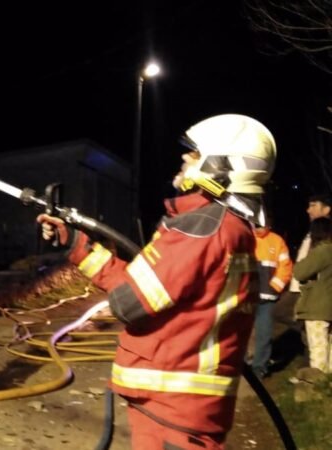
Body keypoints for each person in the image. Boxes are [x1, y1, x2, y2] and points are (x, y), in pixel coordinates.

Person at [38, 114, 276, 449]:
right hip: (181, 408)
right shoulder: (224, 227)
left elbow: (129, 301)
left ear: (221, 167)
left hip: (174, 410)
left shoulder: (203, 227)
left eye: (193, 154)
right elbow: (147, 283)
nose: (183, 158)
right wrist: (76, 245)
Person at [250, 216, 293, 379]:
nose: (258, 227)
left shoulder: (277, 241)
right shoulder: (246, 237)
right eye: (255, 224)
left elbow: (286, 267)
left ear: (268, 224)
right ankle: (244, 364)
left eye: (261, 224)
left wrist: (274, 287)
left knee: (264, 333)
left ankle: (259, 368)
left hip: (267, 298)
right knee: (243, 332)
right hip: (247, 296)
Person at [292, 217, 332, 373]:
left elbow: (300, 272)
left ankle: (318, 388)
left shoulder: (322, 251)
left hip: (318, 308)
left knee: (318, 350)